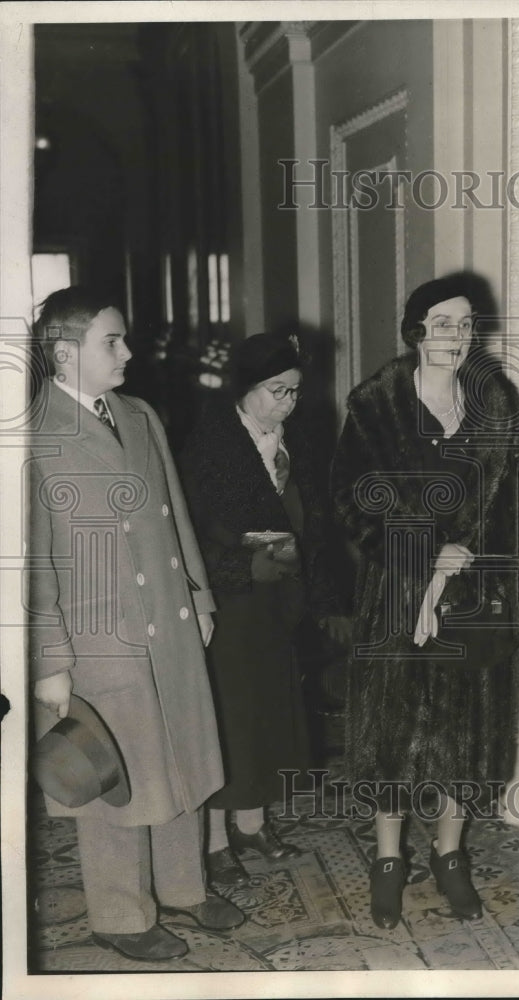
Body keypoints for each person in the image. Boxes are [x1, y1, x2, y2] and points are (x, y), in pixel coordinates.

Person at [330, 275, 519, 929]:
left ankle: (450, 857)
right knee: (394, 731)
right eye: (443, 323)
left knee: (463, 732)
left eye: (466, 325)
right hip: (400, 595)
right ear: (416, 329)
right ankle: (388, 863)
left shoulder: (490, 394)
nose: (457, 336)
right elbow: (353, 505)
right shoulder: (376, 406)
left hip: (476, 596)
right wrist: (423, 552)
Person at [27, 286, 244, 963]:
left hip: (169, 623)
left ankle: (183, 887)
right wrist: (51, 661)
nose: (127, 352)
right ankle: (120, 916)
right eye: (111, 342)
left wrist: (201, 599)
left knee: (180, 757)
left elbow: (175, 516)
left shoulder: (140, 414)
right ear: (66, 353)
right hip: (99, 639)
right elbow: (30, 564)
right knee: (114, 779)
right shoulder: (32, 436)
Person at [180, 332, 347, 887]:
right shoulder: (209, 443)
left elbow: (317, 523)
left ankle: (252, 823)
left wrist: (324, 598)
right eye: (277, 391)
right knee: (230, 721)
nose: (288, 402)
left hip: (280, 605)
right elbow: (188, 536)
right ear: (244, 389)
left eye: (295, 392)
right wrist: (243, 566)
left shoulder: (300, 438)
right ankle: (216, 840)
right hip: (229, 606)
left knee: (271, 716)